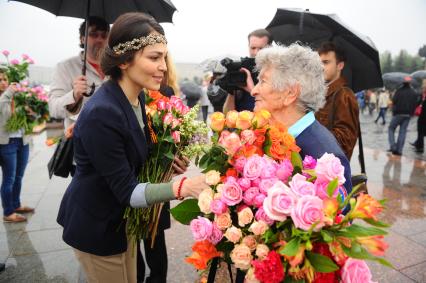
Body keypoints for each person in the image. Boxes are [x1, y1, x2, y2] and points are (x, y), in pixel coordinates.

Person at [56, 12, 210, 283]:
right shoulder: (103, 112)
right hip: (98, 226)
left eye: (164, 56)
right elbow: (128, 191)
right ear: (125, 60)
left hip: (122, 224)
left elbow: (137, 152)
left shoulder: (136, 97)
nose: (163, 66)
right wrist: (185, 187)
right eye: (154, 57)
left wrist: (168, 163)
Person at [48, 16, 109, 129]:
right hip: (81, 138)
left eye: (104, 36)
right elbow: (53, 109)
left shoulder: (117, 67)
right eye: (94, 34)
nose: (100, 39)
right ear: (82, 39)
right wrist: (74, 95)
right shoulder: (65, 67)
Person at [315, 42, 360, 160]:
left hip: (330, 169)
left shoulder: (344, 95)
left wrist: (312, 134)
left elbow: (346, 142)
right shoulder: (322, 92)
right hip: (318, 164)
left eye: (326, 62)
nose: (321, 67)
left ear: (340, 65)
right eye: (319, 62)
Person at [0, 69, 34, 223]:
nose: (3, 82)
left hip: (22, 141)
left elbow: (31, 117)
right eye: (0, 80)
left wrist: (31, 112)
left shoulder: (18, 97)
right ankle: (8, 212)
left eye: (5, 79)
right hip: (7, 144)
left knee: (18, 177)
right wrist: (8, 93)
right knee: (9, 179)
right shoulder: (4, 98)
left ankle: (16, 205)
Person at [223, 29, 272, 113]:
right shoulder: (242, 70)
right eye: (253, 48)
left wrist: (252, 90)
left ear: (270, 47)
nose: (256, 52)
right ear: (248, 46)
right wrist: (231, 91)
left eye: (261, 48)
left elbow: (274, 111)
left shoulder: (276, 73)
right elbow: (227, 113)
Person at [388, 77, 418, 156]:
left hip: (398, 113)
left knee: (391, 128)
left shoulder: (399, 91)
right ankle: (399, 150)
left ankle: (393, 146)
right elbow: (416, 102)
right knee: (403, 131)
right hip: (408, 114)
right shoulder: (413, 92)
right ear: (410, 83)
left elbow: (394, 101)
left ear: (403, 83)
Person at [410, 80, 426, 153]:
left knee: (420, 131)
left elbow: (417, 103)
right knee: (421, 131)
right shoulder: (421, 94)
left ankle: (420, 147)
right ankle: (418, 144)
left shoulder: (422, 95)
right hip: (422, 115)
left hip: (422, 115)